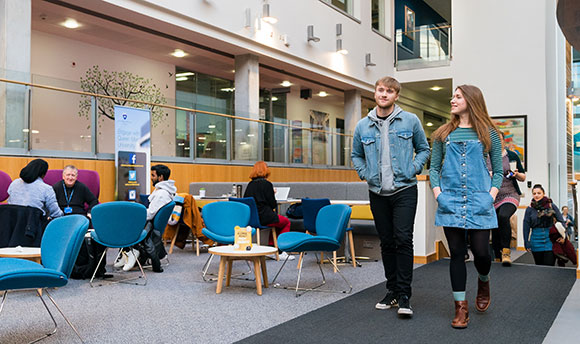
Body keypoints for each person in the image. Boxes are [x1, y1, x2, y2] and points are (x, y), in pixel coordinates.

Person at [352, 76, 430, 318]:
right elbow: (356, 155)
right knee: (386, 241)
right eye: (380, 90)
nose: (384, 94)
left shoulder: (410, 120)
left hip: (404, 189)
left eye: (389, 91)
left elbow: (424, 149)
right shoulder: (363, 125)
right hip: (377, 192)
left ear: (396, 96)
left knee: (403, 239)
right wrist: (365, 174)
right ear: (375, 93)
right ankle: (392, 290)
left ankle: (405, 294)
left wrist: (413, 169)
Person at [430, 85, 503, 329]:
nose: (452, 100)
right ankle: (460, 308)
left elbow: (498, 170)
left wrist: (491, 195)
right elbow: (433, 167)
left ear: (471, 100)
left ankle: (484, 279)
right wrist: (438, 193)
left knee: (482, 252)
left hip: (480, 200)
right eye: (453, 96)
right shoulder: (443, 133)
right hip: (450, 200)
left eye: (458, 96)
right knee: (457, 254)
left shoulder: (489, 133)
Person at [116, 164, 176, 273]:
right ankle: (126, 254)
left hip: (149, 225)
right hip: (149, 224)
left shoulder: (161, 194)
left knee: (124, 222)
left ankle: (132, 252)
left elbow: (150, 214)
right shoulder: (162, 190)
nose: (151, 178)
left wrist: (135, 215)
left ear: (161, 177)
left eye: (153, 175)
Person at [52, 165, 107, 279]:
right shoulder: (56, 187)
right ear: (63, 176)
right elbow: (50, 203)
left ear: (76, 177)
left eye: (73, 175)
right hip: (61, 218)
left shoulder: (82, 187)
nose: (70, 177)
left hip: (79, 217)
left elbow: (93, 201)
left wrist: (90, 212)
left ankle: (83, 267)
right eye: (68, 175)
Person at [486, 134, 526, 266]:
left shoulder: (512, 156)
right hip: (493, 196)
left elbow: (523, 177)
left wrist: (516, 174)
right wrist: (488, 175)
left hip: (510, 194)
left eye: (499, 140)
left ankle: (506, 251)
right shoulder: (486, 156)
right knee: (495, 224)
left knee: (503, 216)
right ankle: (497, 256)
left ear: (504, 141)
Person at [243, 161, 294, 261]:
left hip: (252, 219)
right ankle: (281, 250)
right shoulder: (267, 184)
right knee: (286, 222)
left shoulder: (250, 185)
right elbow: (273, 205)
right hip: (265, 217)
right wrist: (272, 193)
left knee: (276, 222)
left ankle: (271, 249)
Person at [523, 184, 565, 266]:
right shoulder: (529, 209)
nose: (536, 195)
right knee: (539, 267)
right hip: (535, 240)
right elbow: (526, 226)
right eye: (534, 193)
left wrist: (563, 235)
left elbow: (561, 221)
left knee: (549, 266)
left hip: (550, 239)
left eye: (539, 193)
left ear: (543, 193)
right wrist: (526, 241)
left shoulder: (551, 206)